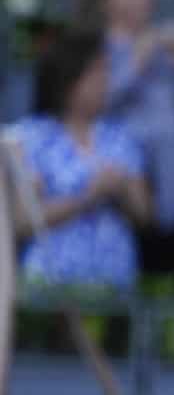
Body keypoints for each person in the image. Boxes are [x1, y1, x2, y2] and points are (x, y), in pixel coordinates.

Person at [78, 0, 174, 273]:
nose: (139, 1)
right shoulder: (92, 47)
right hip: (123, 160)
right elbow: (94, 101)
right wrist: (136, 59)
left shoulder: (168, 50)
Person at [5, 27, 151, 291]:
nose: (104, 81)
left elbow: (145, 215)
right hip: (50, 286)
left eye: (105, 71)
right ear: (69, 80)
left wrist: (124, 190)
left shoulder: (120, 137)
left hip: (114, 286)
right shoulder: (28, 139)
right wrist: (88, 196)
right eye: (95, 72)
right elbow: (22, 221)